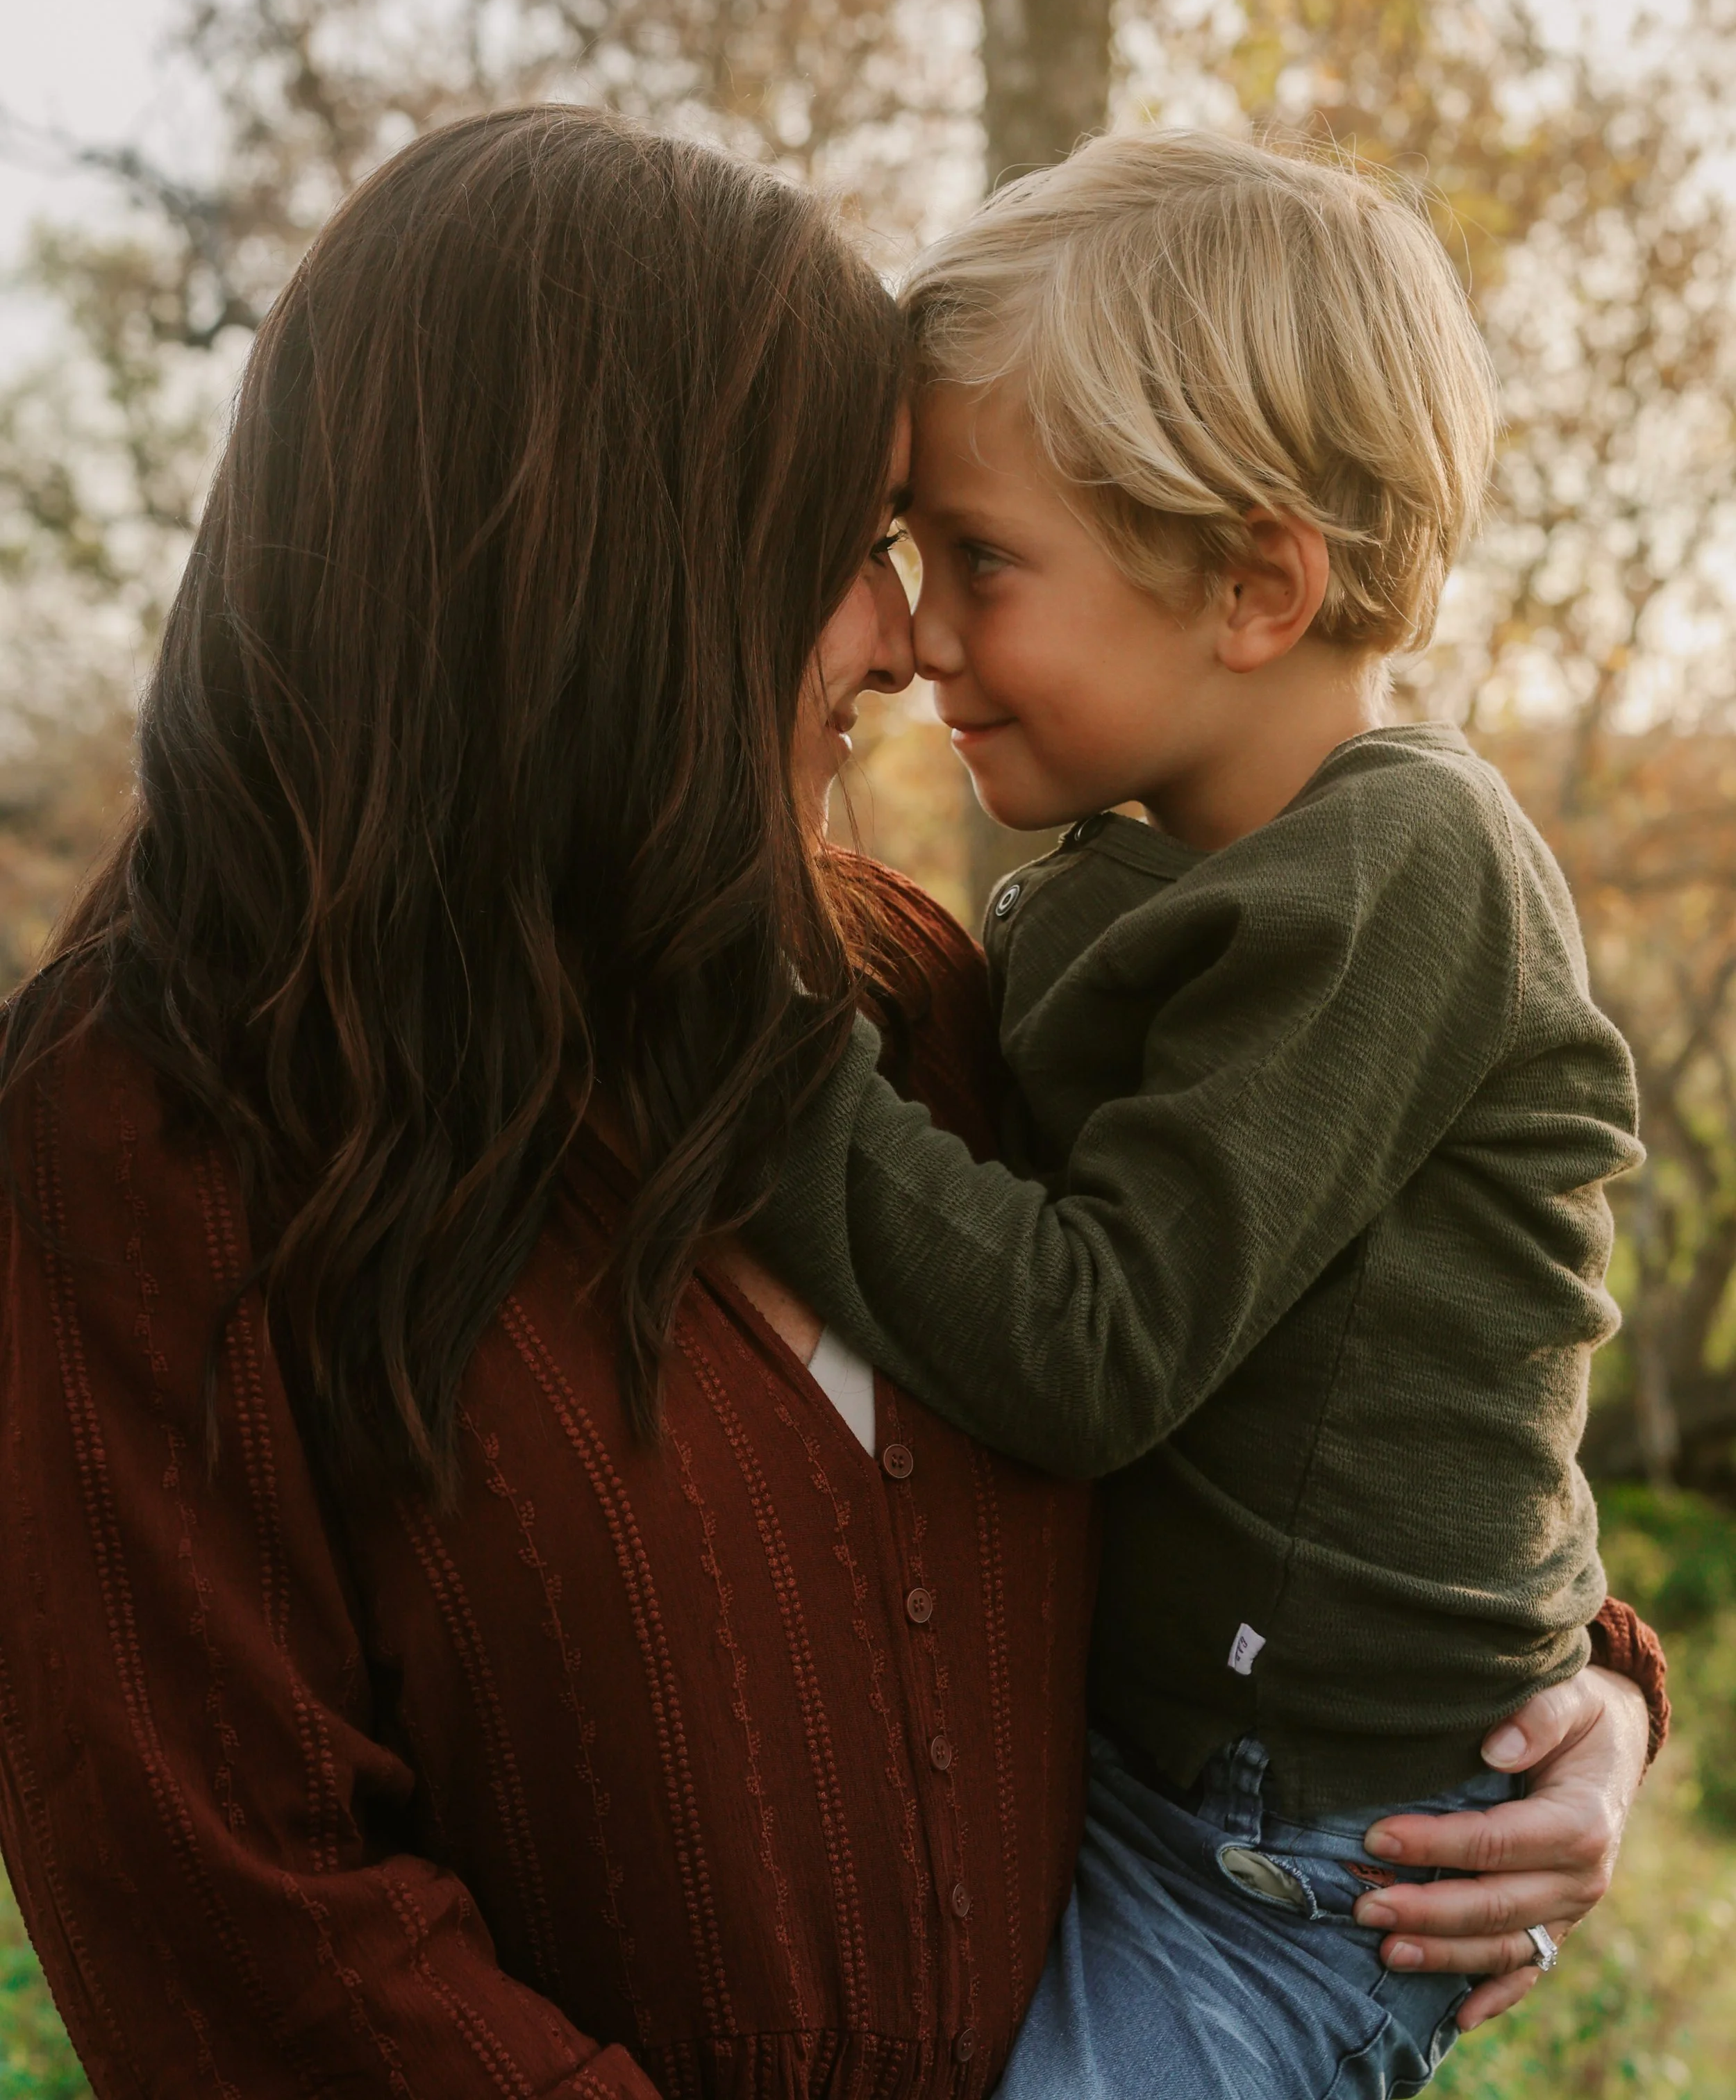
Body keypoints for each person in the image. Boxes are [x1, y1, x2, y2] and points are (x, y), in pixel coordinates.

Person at [0, 108, 1660, 2100]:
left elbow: (1287, 1359)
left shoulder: (895, 985)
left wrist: (1583, 1697)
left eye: (953, 553)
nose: (898, 632)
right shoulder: (138, 1138)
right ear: (608, 564)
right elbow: (252, 1940)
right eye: (851, 545)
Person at [746, 128, 1658, 2097]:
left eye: (980, 557)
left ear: (1253, 583)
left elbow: (1085, 1344)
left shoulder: (1405, 871)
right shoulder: (1098, 884)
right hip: (1137, 1763)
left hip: (1297, 1854)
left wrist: (745, 1042)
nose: (921, 635)